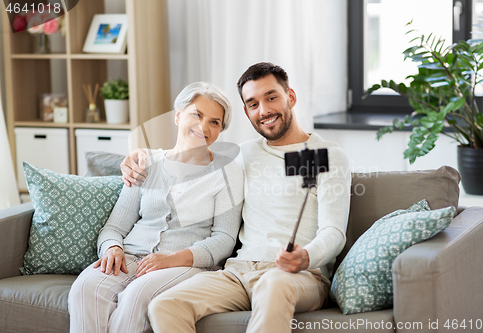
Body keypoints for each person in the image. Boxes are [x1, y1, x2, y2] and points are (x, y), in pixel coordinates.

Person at [121, 62, 351, 333]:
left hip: (298, 276)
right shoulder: (242, 154)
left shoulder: (326, 155)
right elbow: (191, 152)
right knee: (165, 304)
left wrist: (307, 257)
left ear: (291, 97)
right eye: (253, 104)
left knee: (272, 284)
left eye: (271, 97)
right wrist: (141, 156)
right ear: (246, 111)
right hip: (237, 273)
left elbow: (334, 231)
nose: (263, 111)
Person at [68, 82, 244, 333]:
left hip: (184, 264)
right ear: (178, 115)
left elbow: (224, 238)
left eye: (215, 122)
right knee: (85, 288)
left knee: (136, 296)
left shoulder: (228, 172)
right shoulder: (145, 162)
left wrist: (172, 259)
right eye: (197, 114)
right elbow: (115, 226)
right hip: (129, 257)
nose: (204, 127)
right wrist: (112, 248)